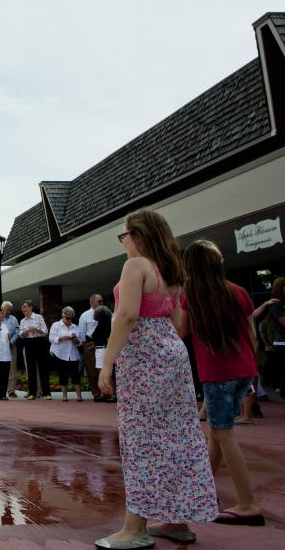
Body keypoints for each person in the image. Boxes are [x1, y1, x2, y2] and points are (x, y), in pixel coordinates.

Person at [96, 210, 218, 549]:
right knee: (178, 434)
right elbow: (176, 322)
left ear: (137, 235)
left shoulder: (136, 265)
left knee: (141, 439)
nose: (123, 243)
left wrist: (107, 364)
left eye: (124, 236)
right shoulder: (172, 271)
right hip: (172, 353)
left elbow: (128, 315)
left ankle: (135, 528)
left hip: (143, 356)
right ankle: (177, 520)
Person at [180, 239, 265, 527]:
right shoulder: (239, 292)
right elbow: (251, 335)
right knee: (216, 434)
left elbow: (180, 331)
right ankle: (202, 492)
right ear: (218, 263)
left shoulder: (192, 296)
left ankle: (247, 502)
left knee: (224, 434)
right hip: (244, 369)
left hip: (217, 373)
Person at [49, 307, 83, 402]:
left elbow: (80, 342)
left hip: (73, 354)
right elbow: (51, 338)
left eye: (71, 318)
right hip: (60, 353)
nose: (69, 320)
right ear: (63, 315)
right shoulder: (56, 325)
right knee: (62, 374)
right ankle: (64, 396)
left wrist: (76, 340)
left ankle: (79, 396)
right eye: (67, 318)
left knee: (76, 374)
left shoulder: (75, 327)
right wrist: (62, 338)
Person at [19, 300, 50, 400]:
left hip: (40, 342)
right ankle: (32, 392)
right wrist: (26, 332)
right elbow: (20, 334)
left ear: (31, 307)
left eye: (25, 306)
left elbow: (45, 331)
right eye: (22, 307)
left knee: (43, 368)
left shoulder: (38, 317)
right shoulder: (22, 321)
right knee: (31, 368)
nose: (23, 309)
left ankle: (46, 393)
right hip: (28, 343)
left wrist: (36, 330)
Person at [77, 294, 104, 401]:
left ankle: (105, 392)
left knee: (103, 369)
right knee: (92, 370)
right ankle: (96, 394)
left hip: (104, 343)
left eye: (102, 301)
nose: (102, 303)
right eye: (99, 301)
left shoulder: (106, 313)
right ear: (92, 302)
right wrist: (87, 345)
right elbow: (82, 332)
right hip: (91, 343)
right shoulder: (85, 315)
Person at [91, 305, 114, 401]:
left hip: (103, 349)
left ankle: (109, 394)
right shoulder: (104, 323)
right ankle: (104, 393)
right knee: (104, 372)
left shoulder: (104, 323)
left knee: (104, 372)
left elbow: (108, 338)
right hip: (101, 349)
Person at [1, 302, 21, 398]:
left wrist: (12, 341)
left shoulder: (14, 319)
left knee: (12, 368)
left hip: (11, 345)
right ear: (2, 309)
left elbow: (17, 331)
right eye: (7, 309)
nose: (9, 311)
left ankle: (11, 390)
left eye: (10, 310)